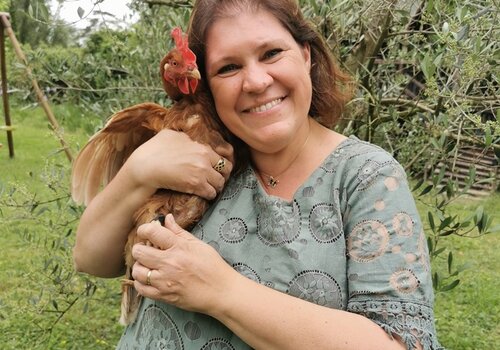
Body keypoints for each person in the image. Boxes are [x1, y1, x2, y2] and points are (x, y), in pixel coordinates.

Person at [73, 0, 444, 349]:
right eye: (228, 68)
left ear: (305, 54)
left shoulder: (366, 177)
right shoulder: (190, 155)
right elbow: (91, 259)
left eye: (270, 54)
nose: (255, 82)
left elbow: (399, 343)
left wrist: (221, 290)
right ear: (207, 84)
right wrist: (137, 172)